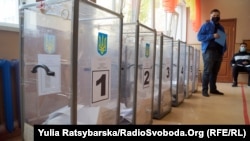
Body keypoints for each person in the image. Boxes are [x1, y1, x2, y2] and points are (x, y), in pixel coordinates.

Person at [197, 9, 227, 97]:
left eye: (217, 15)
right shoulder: (205, 25)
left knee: (214, 72)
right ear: (210, 16)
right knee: (207, 71)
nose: (215, 17)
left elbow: (223, 41)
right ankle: (205, 90)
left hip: (219, 52)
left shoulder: (221, 28)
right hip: (209, 51)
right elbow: (199, 37)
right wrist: (212, 35)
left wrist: (223, 51)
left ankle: (213, 89)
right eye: (214, 15)